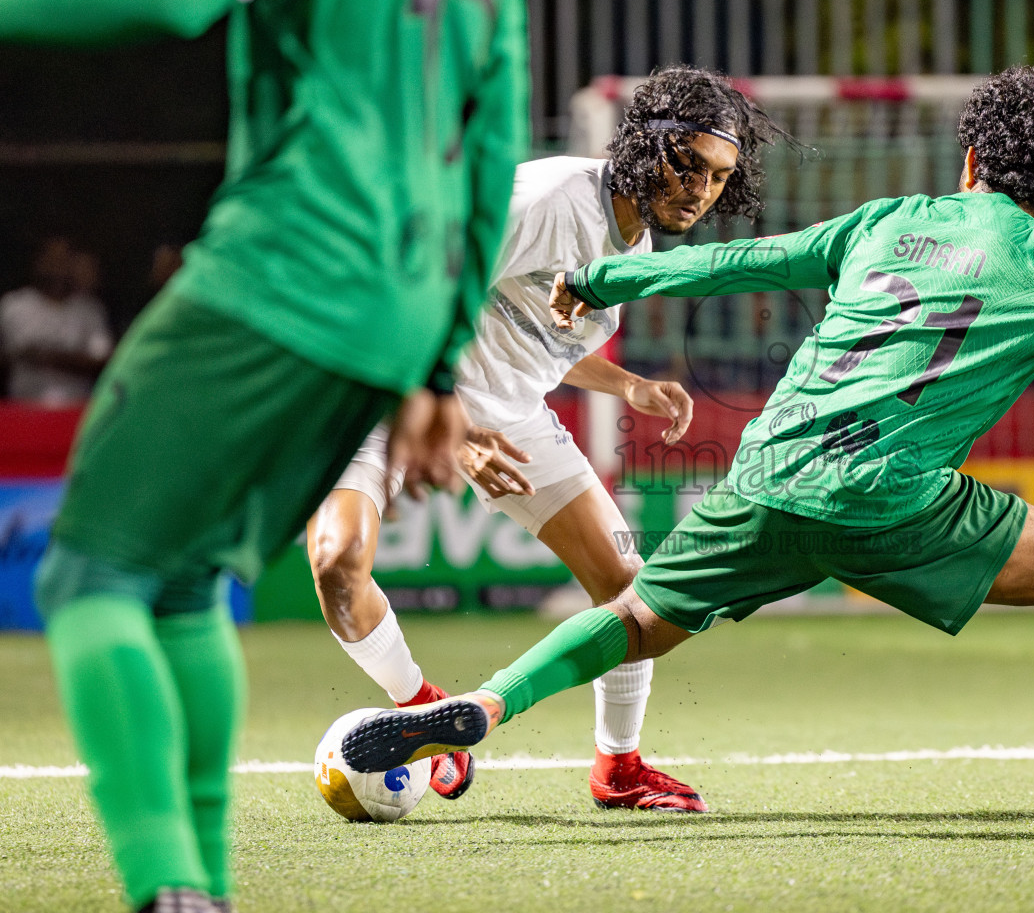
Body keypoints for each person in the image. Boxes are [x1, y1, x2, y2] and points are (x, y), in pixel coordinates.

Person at [339, 68, 1034, 839]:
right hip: (890, 497)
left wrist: (612, 280)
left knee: (631, 618)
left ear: (968, 159)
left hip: (766, 473)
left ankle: (474, 712)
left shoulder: (883, 220)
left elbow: (742, 263)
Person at [0, 0, 528, 910]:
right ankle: (200, 890)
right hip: (397, 312)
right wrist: (434, 365)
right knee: (190, 582)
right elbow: (493, 144)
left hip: (282, 272)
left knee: (90, 575)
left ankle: (164, 881)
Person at [308, 66, 789, 811]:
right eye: (686, 163)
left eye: (720, 176)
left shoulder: (635, 250)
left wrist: (627, 385)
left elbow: (539, 338)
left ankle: (620, 768)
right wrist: (452, 425)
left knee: (633, 594)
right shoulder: (548, 199)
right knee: (337, 560)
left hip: (513, 416)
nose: (699, 188)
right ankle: (418, 709)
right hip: (397, 389)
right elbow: (419, 296)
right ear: (643, 143)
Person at [0, 237, 114, 405]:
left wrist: (51, 358)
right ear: (39, 262)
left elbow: (102, 361)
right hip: (23, 409)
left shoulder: (90, 310)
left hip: (75, 410)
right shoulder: (13, 305)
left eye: (64, 260)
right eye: (52, 259)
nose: (57, 267)